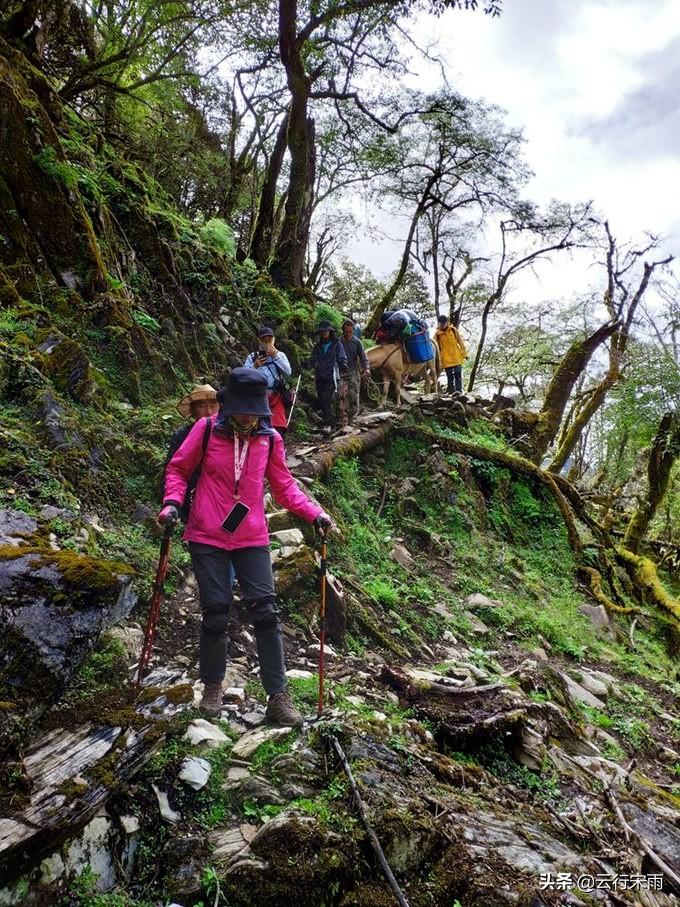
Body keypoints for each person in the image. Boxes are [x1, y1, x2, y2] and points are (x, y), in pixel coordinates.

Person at [159, 368, 333, 724]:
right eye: (241, 408)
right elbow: (177, 469)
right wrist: (172, 503)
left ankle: (278, 696)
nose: (247, 416)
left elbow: (284, 487)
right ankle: (212, 687)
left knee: (266, 613)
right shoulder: (206, 430)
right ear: (228, 405)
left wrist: (315, 513)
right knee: (216, 612)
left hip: (251, 535)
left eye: (254, 409)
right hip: (206, 533)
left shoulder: (270, 440)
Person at [166, 384, 219, 521]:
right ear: (193, 409)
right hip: (191, 494)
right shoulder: (182, 436)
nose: (208, 411)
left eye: (213, 405)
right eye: (202, 406)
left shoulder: (228, 435)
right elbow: (174, 470)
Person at [244, 326, 292, 438]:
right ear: (259, 341)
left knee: (278, 426)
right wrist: (254, 366)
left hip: (276, 395)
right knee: (259, 427)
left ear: (273, 339)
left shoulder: (280, 355)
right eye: (264, 340)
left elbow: (288, 372)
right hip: (258, 397)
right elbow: (244, 376)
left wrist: (275, 356)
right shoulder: (252, 357)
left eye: (269, 340)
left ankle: (278, 448)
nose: (267, 343)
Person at [309, 321, 348, 431]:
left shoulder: (337, 344)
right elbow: (313, 359)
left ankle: (329, 423)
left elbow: (342, 356)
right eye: (322, 331)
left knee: (326, 397)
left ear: (330, 332)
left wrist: (343, 363)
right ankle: (327, 421)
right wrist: (309, 364)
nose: (324, 333)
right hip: (320, 375)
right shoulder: (318, 347)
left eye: (326, 331)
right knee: (321, 398)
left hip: (332, 375)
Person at [339, 319, 370, 423]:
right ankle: (342, 417)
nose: (348, 334)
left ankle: (353, 417)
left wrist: (366, 369)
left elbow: (363, 357)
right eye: (346, 332)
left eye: (350, 332)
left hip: (353, 371)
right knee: (341, 394)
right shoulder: (338, 342)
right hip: (340, 371)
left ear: (353, 331)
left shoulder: (357, 342)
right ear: (342, 331)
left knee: (354, 394)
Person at [435, 314, 467, 394]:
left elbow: (460, 341)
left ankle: (458, 391)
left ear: (447, 322)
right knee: (449, 376)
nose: (442, 325)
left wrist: (464, 353)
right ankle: (451, 391)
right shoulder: (437, 335)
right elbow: (435, 348)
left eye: (443, 323)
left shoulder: (453, 330)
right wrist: (438, 360)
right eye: (440, 323)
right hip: (446, 359)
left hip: (456, 357)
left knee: (458, 375)